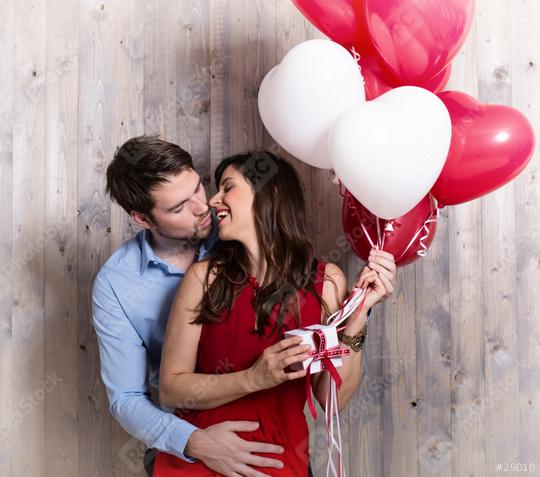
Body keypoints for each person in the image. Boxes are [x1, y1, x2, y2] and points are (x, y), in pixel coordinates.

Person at [153, 151, 397, 476]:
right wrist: (253, 378)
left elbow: (331, 401)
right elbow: (172, 388)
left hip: (279, 465)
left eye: (228, 187)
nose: (214, 200)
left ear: (270, 193)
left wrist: (358, 315)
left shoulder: (326, 282)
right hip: (202, 462)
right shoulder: (204, 277)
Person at [92, 137, 290, 476]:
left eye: (198, 188)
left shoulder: (237, 228)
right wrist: (195, 442)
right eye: (178, 207)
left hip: (271, 430)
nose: (203, 207)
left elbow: (299, 279)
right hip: (189, 442)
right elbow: (125, 398)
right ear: (142, 218)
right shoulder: (116, 285)